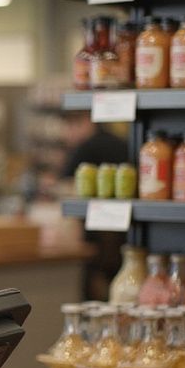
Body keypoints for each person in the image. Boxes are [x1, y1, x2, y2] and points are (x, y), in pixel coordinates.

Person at [59, 111, 128, 301]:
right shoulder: (122, 142)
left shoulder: (85, 148)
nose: (67, 134)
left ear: (86, 121)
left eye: (70, 126)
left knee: (91, 282)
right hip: (124, 233)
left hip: (96, 234)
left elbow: (66, 186)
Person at [59, 111, 128, 179]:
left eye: (74, 124)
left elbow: (66, 181)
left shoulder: (87, 147)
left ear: (89, 121)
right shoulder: (115, 140)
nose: (68, 132)